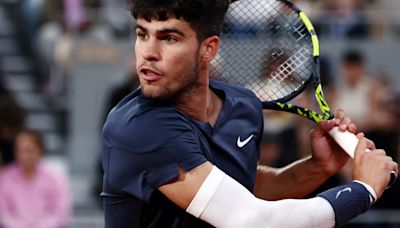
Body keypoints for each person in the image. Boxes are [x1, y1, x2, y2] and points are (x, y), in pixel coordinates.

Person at [101, 1, 398, 227]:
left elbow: (246, 189)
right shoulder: (137, 128)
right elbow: (250, 219)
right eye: (142, 34)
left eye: (168, 38)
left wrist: (317, 167)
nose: (148, 52)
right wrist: (363, 190)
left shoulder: (243, 106)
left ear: (209, 49)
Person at [0, 129, 71, 228]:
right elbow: (3, 215)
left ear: (39, 150)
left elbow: (61, 214)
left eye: (28, 150)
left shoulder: (55, 178)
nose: (23, 155)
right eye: (19, 150)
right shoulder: (5, 178)